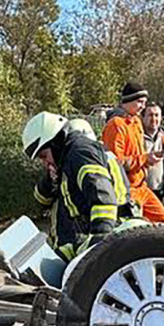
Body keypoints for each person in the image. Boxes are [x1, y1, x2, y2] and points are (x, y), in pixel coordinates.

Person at [22, 110, 135, 257]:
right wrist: (51, 180)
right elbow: (42, 199)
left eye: (44, 156)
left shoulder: (80, 153)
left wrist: (100, 243)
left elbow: (102, 197)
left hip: (112, 232)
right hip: (86, 236)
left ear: (56, 142)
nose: (45, 162)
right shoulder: (66, 160)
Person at [102, 82, 164, 224]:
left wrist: (151, 158)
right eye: (140, 102)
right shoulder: (115, 125)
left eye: (144, 102)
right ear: (127, 101)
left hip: (142, 187)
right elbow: (116, 164)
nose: (142, 106)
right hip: (127, 191)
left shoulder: (136, 122)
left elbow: (138, 154)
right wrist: (145, 159)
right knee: (132, 233)